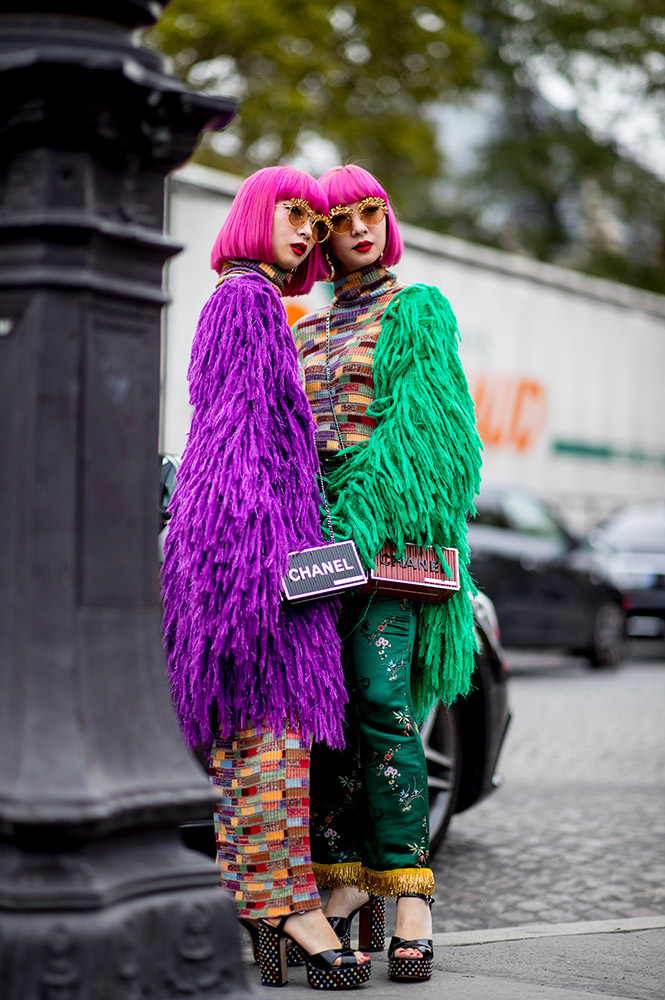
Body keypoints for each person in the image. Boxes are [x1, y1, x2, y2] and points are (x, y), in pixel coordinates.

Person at [161, 166, 371, 990]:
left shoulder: (246, 302)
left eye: (313, 225)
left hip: (249, 545)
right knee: (266, 738)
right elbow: (238, 443)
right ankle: (282, 906)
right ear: (255, 213)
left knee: (260, 742)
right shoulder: (246, 300)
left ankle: (263, 907)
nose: (306, 231)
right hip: (247, 551)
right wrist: (265, 559)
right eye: (292, 213)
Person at [292, 164, 483, 983]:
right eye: (342, 219)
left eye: (373, 212)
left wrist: (356, 514)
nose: (361, 228)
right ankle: (340, 886)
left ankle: (408, 893)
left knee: (380, 703)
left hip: (386, 543)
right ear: (323, 237)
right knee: (323, 716)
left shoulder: (417, 310)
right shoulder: (301, 332)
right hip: (316, 552)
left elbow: (428, 443)